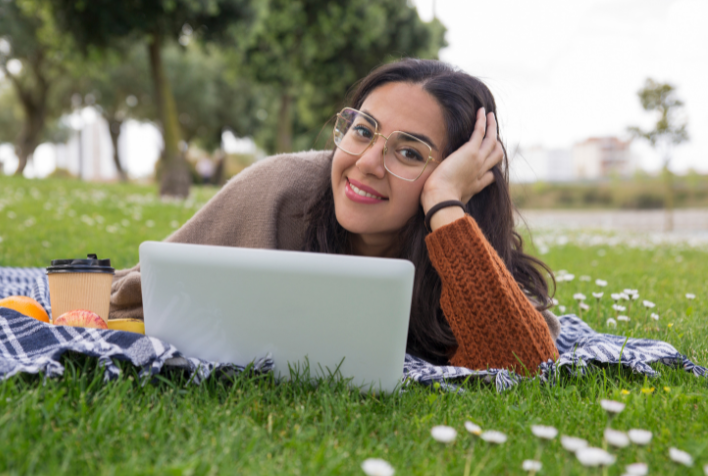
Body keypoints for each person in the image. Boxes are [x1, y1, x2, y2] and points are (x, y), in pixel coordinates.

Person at [110, 59, 560, 374]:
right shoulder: (279, 189)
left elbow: (526, 366)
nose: (366, 162)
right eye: (362, 131)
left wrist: (444, 203)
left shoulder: (461, 242)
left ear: (459, 174)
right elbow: (130, 296)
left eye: (408, 152)